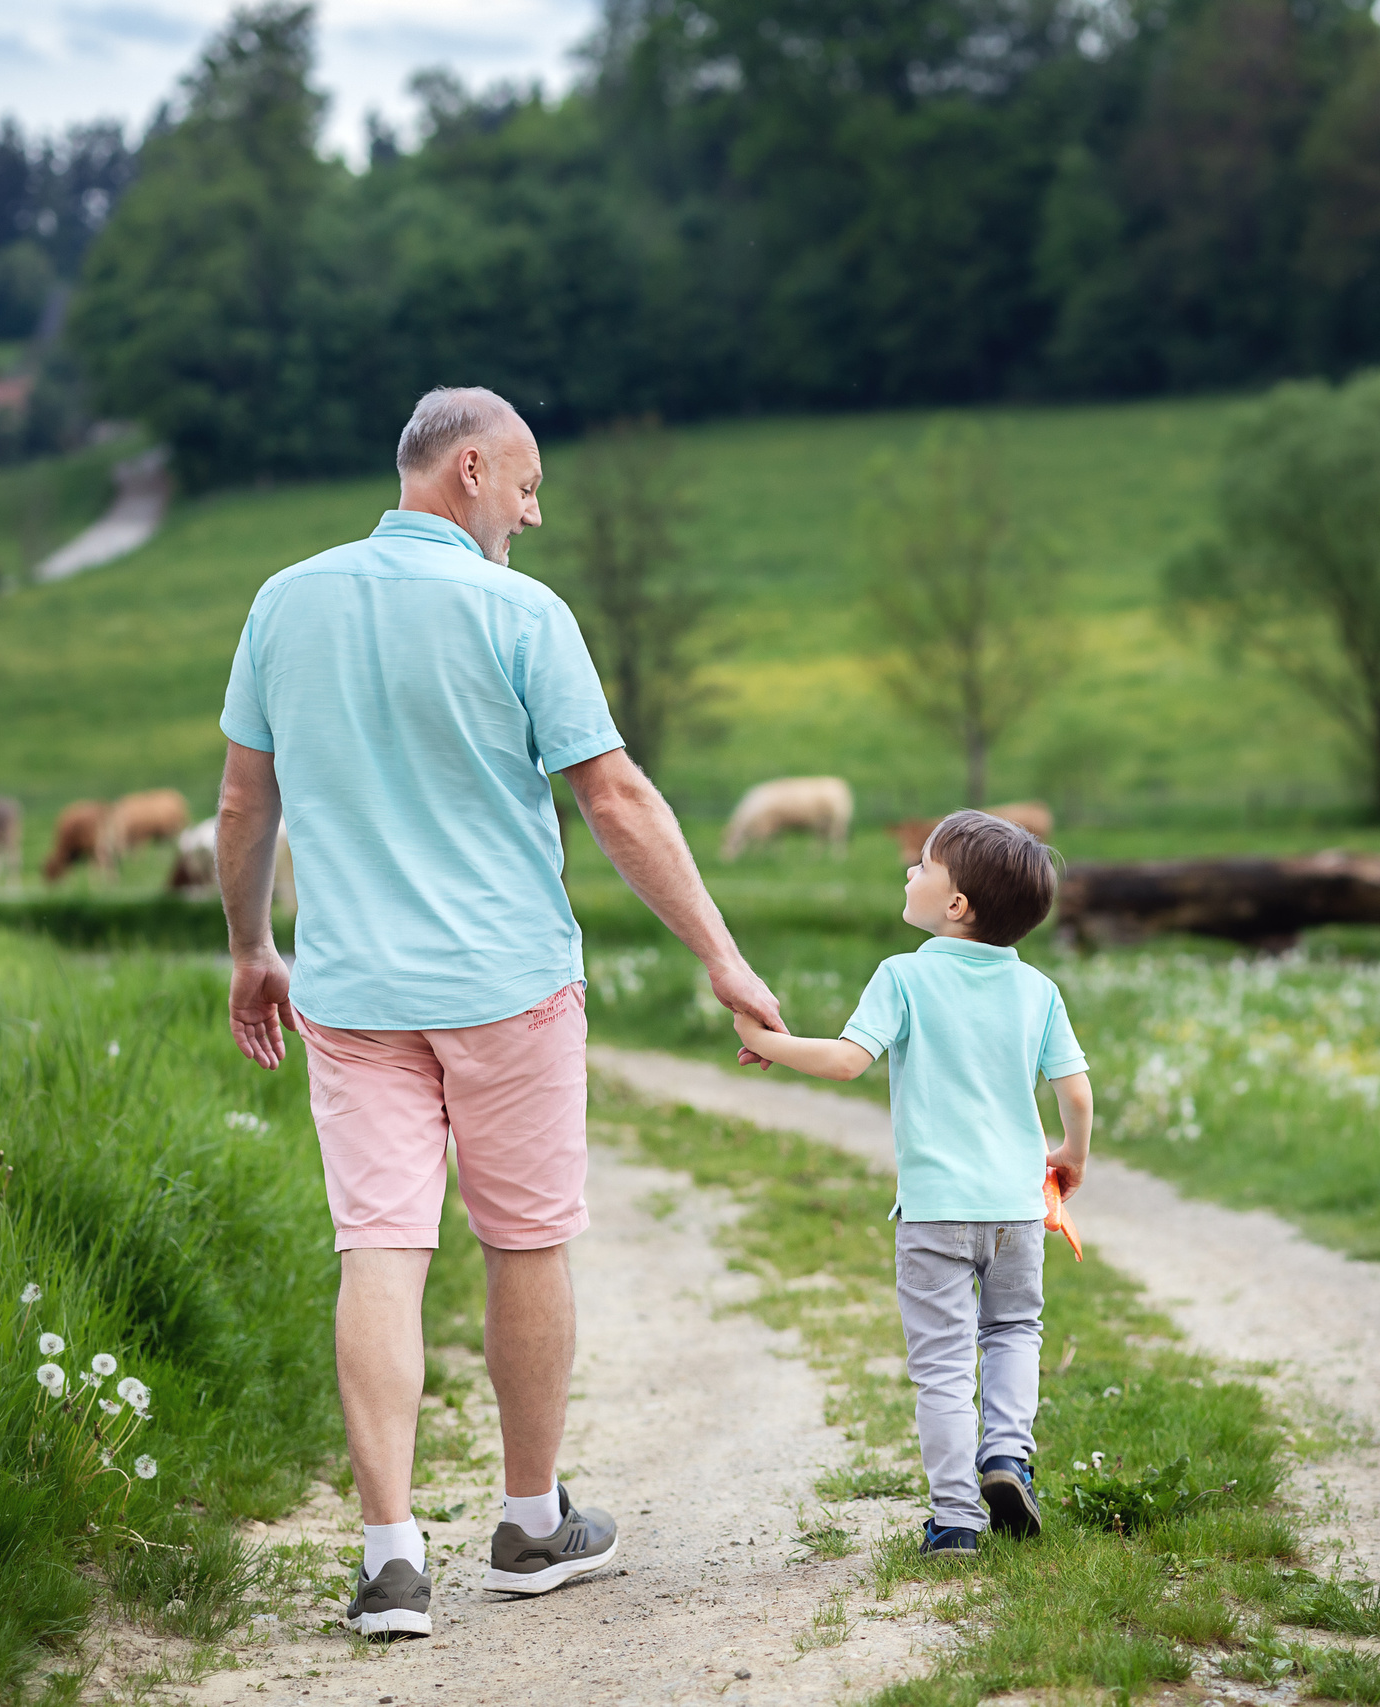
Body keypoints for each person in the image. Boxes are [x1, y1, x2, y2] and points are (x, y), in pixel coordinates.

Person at [214, 385, 786, 1636]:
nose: (532, 515)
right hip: (509, 988)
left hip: (353, 993)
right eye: (526, 488)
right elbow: (618, 798)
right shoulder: (520, 611)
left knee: (377, 1249)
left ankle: (388, 1560)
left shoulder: (284, 601)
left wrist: (254, 945)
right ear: (469, 469)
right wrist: (724, 959)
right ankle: (531, 1524)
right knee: (525, 1242)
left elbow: (244, 807)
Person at [730, 810, 1094, 1555]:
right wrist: (1071, 1154)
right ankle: (1006, 1454)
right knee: (1015, 1331)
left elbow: (842, 1061)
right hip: (1019, 1209)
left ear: (955, 904)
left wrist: (761, 1037)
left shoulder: (904, 974)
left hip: (934, 1212)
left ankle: (957, 1519)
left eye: (922, 866)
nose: (908, 873)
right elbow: (1077, 1091)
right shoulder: (1040, 991)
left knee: (941, 1365)